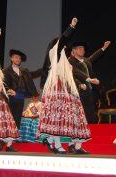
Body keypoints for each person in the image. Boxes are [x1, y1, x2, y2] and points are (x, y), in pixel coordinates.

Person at [39, 18, 91, 154]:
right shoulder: (54, 53)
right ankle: (55, 143)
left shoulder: (63, 59)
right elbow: (63, 39)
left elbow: (74, 72)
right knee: (58, 115)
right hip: (56, 87)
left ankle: (54, 141)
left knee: (63, 115)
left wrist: (86, 80)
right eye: (62, 44)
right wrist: (71, 27)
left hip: (63, 87)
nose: (64, 46)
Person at [69, 40, 111, 123]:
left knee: (90, 113)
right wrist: (82, 83)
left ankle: (91, 132)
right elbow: (75, 73)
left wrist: (103, 48)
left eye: (83, 49)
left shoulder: (85, 60)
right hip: (79, 90)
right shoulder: (71, 61)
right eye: (80, 48)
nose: (82, 50)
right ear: (74, 50)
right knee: (81, 114)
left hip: (89, 90)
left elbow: (93, 57)